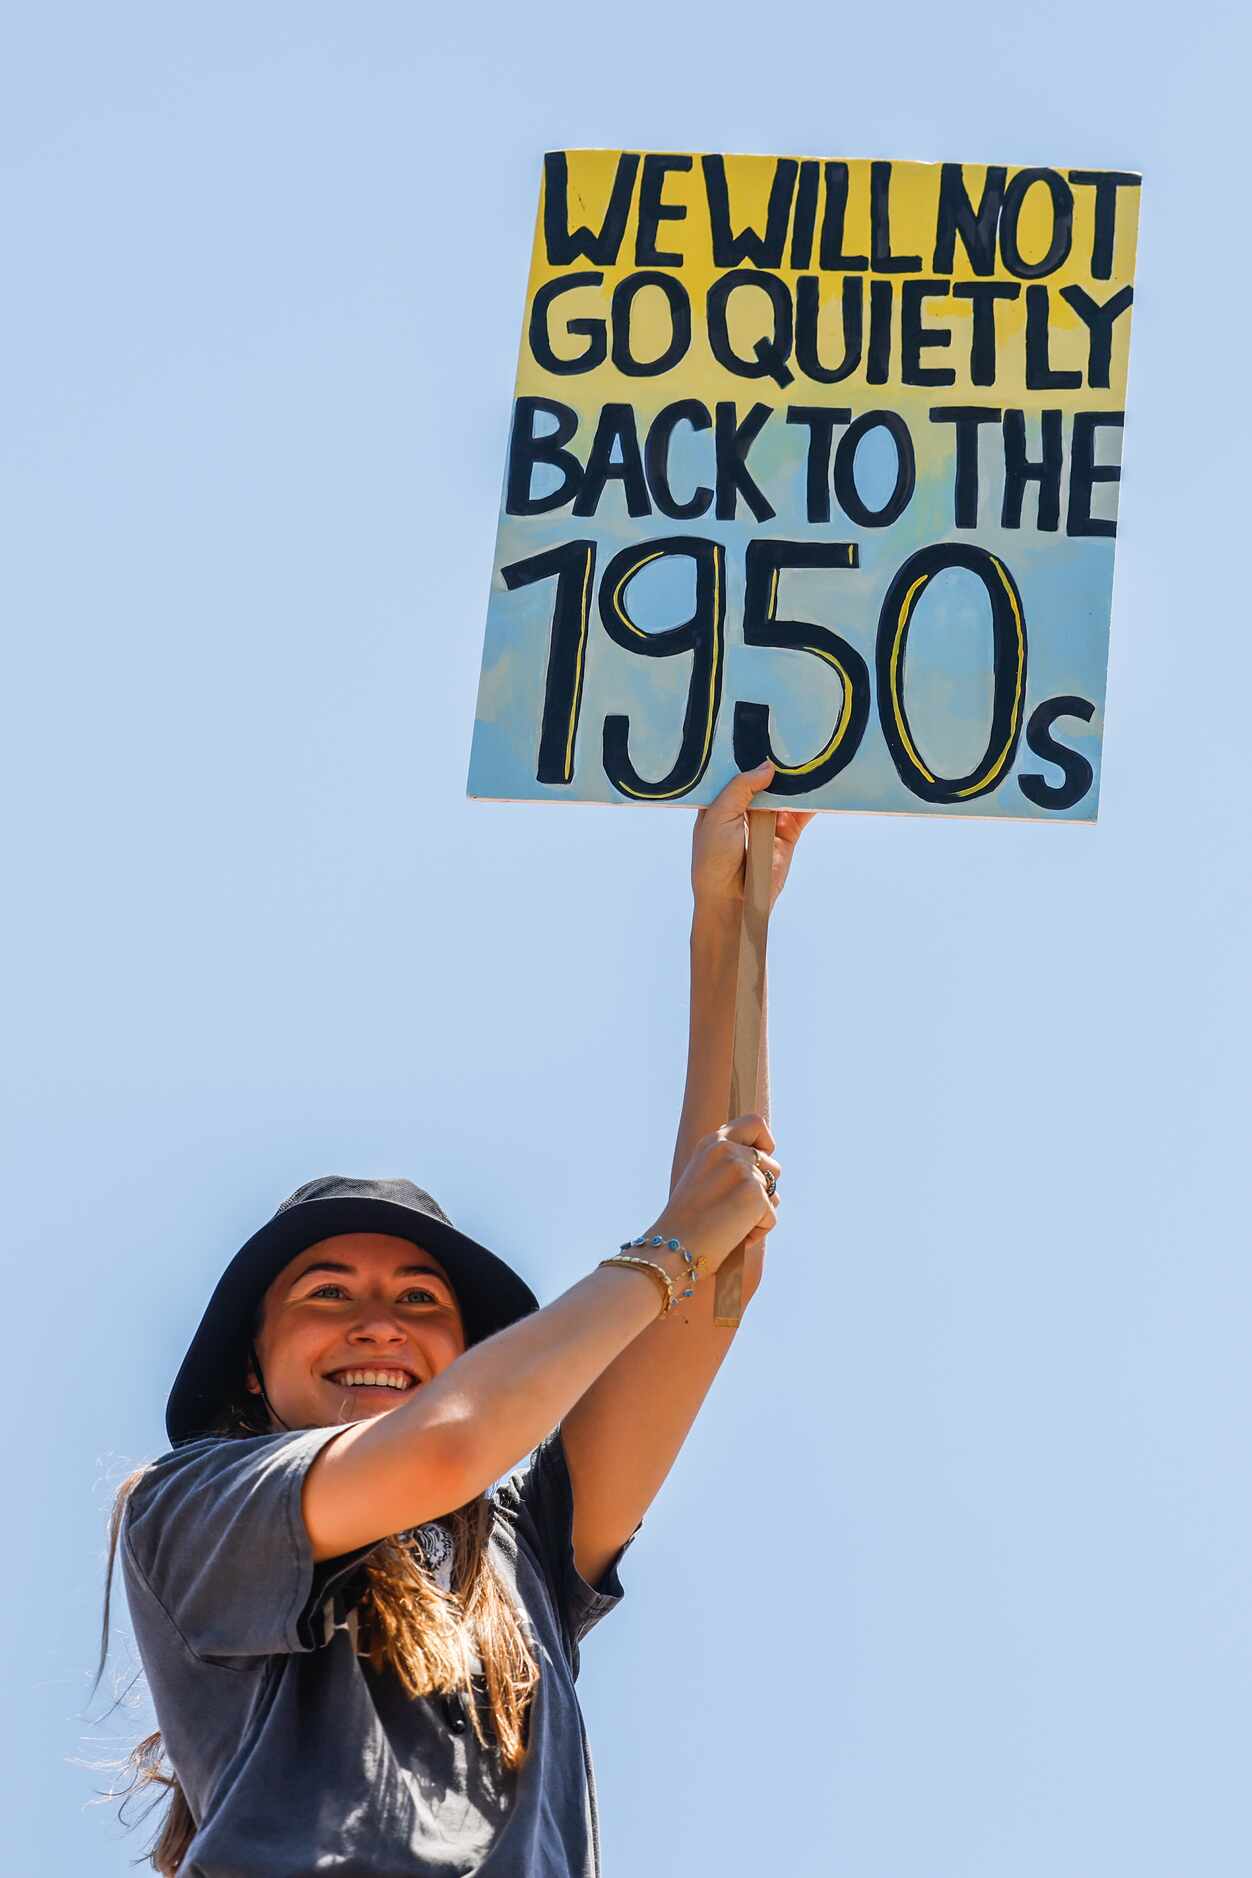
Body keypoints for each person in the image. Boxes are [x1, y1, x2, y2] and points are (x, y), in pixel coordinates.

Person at [95, 760, 812, 1876]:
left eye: (419, 1300)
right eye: (327, 1292)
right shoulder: (191, 1507)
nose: (378, 1321)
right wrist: (662, 1249)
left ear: (467, 1357)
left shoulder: (516, 1541)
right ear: (252, 1368)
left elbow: (716, 1271)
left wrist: (726, 920)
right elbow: (452, 1440)